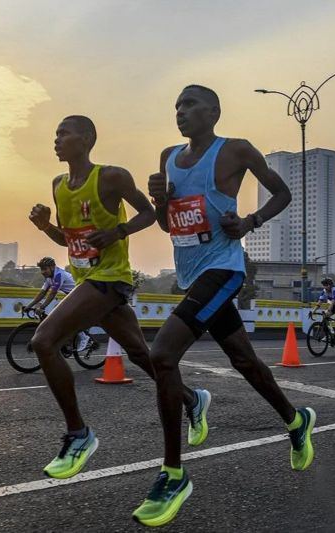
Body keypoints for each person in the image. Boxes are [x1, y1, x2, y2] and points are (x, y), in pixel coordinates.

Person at [132, 85, 316, 527]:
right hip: (192, 274)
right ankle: (296, 421)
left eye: (189, 105)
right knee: (245, 361)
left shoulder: (235, 150)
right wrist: (160, 198)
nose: (180, 113)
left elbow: (282, 193)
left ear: (213, 111)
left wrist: (249, 222)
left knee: (161, 354)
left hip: (225, 268)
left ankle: (173, 474)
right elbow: (167, 224)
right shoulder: (168, 156)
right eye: (175, 106)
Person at [28, 115, 205, 480]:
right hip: (87, 279)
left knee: (44, 341)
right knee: (142, 355)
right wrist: (46, 226)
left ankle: (79, 435)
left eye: (64, 133)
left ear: (87, 138)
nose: (57, 139)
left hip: (110, 279)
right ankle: (191, 398)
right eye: (56, 132)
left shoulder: (111, 177)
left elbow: (151, 212)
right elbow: (69, 240)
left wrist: (117, 232)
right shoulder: (59, 185)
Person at [23, 256, 91, 351]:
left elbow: (52, 293)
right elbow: (42, 293)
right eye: (41, 269)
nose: (43, 272)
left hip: (82, 294)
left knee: (65, 315)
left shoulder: (59, 275)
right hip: (72, 295)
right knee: (60, 317)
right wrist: (29, 306)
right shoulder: (49, 278)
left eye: (45, 269)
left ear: (52, 267)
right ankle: (67, 341)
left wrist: (42, 306)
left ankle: (84, 338)